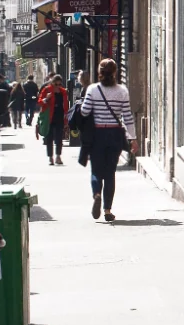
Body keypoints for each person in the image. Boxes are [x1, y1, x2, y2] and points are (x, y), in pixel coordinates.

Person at [77, 57, 134, 221]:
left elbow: (85, 112)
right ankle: (107, 210)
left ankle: (96, 194)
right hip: (115, 135)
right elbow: (127, 116)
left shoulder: (92, 89)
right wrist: (133, 138)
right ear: (115, 72)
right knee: (110, 173)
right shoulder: (122, 91)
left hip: (97, 135)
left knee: (96, 170)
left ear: (99, 73)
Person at [37, 76, 68, 165]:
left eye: (59, 84)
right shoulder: (47, 90)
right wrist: (46, 98)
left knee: (59, 138)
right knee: (49, 138)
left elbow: (65, 106)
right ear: (52, 83)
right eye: (56, 84)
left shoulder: (63, 92)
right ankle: (50, 157)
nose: (57, 86)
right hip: (49, 117)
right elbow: (39, 102)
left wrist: (66, 120)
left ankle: (58, 156)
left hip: (59, 116)